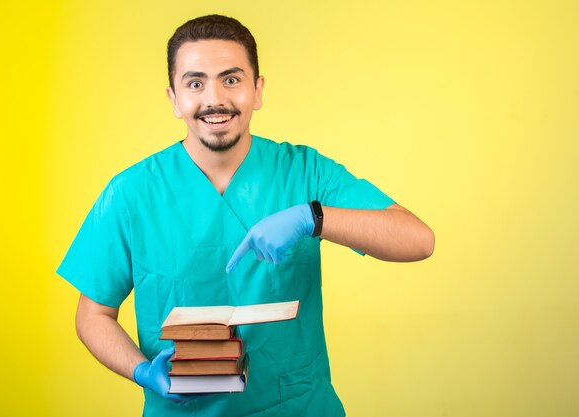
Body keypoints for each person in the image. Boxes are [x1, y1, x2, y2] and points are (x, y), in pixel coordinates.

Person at [57, 14, 434, 417]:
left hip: (299, 406)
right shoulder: (131, 193)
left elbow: (417, 240)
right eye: (195, 83)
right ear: (173, 99)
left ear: (257, 90)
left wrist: (315, 218)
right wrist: (142, 371)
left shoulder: (304, 171)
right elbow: (93, 315)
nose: (214, 98)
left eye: (232, 79)